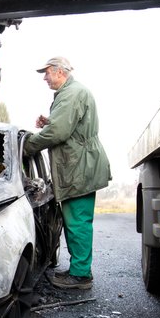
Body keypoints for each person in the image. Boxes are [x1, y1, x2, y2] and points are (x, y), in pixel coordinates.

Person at [23, 56, 111, 290]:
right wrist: (50, 122)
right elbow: (66, 127)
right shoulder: (72, 92)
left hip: (79, 168)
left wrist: (26, 146)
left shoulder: (71, 94)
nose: (44, 77)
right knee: (77, 220)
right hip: (80, 165)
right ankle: (79, 270)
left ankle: (81, 276)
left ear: (60, 72)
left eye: (47, 72)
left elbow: (58, 134)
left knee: (78, 222)